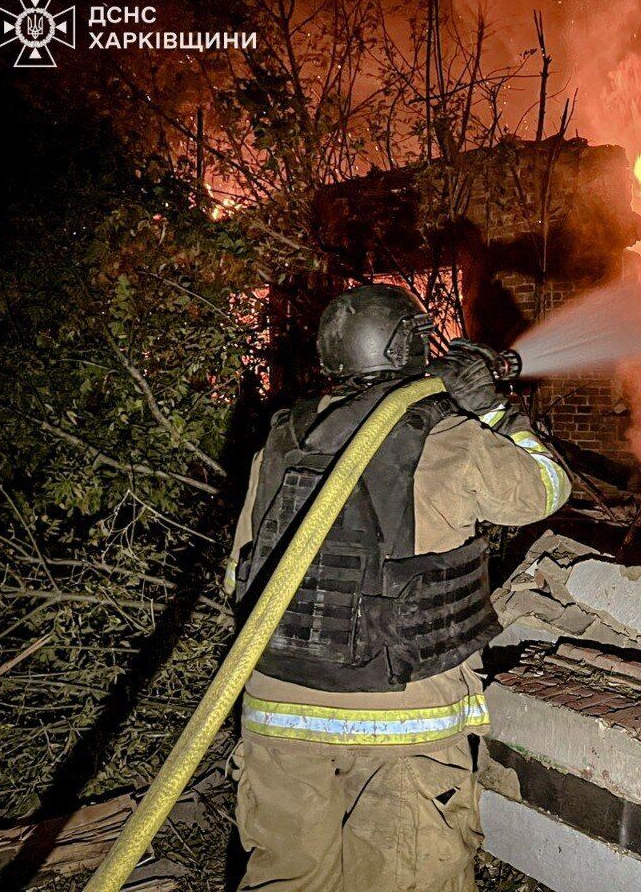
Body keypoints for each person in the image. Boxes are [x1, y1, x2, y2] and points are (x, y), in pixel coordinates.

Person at [224, 283, 570, 892]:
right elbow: (545, 489)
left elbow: (239, 575)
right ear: (407, 346)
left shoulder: (279, 439)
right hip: (402, 720)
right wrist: (495, 411)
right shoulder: (449, 440)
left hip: (276, 710)